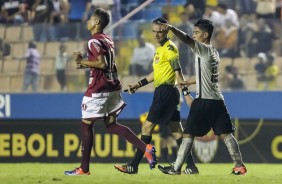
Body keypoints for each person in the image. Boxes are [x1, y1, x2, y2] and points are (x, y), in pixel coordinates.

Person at [64, 8, 157, 176]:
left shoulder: (93, 41)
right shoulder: (107, 39)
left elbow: (102, 63)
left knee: (86, 124)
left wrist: (81, 60)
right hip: (113, 87)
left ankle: (84, 168)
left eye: (90, 19)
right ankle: (146, 148)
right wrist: (86, 64)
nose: (87, 21)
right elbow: (105, 64)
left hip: (99, 89)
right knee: (111, 125)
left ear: (97, 23)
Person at [157, 19, 247, 175]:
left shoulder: (203, 49)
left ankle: (176, 168)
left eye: (197, 33)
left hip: (204, 100)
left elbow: (186, 39)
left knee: (188, 134)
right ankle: (239, 165)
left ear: (205, 35)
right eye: (194, 32)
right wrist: (187, 82)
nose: (194, 35)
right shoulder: (214, 52)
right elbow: (204, 77)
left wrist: (172, 28)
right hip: (217, 100)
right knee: (226, 134)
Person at [114, 17, 198, 175]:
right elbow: (156, 73)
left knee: (147, 127)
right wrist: (138, 84)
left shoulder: (170, 48)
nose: (156, 34)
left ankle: (133, 165)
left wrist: (186, 94)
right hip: (166, 92)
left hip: (165, 92)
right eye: (154, 31)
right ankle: (191, 166)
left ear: (166, 31)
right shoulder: (159, 49)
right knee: (176, 131)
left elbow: (177, 71)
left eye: (160, 31)